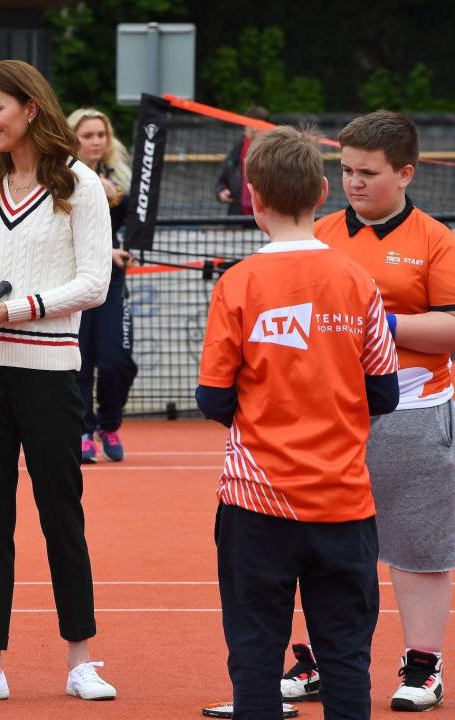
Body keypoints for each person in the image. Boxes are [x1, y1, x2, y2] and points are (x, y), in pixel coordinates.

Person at [196, 125, 400, 720]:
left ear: (253, 195)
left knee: (256, 654)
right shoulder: (357, 280)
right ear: (322, 191)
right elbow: (383, 391)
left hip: (257, 503)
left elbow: (212, 398)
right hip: (343, 501)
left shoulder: (238, 283)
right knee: (344, 656)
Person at [0, 59, 115, 704]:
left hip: (50, 375)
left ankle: (81, 660)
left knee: (60, 516)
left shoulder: (81, 185)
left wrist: (17, 307)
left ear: (30, 109)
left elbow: (93, 284)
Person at [280, 110, 455, 713]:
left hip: (412, 407)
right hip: (328, 412)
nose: (354, 183)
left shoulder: (436, 240)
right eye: (346, 170)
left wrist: (379, 320)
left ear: (405, 173)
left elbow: (451, 328)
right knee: (320, 544)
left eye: (369, 173)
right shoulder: (319, 233)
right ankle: (322, 659)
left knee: (416, 545)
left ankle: (423, 667)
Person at [66, 107, 138, 463]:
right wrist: (104, 250)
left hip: (112, 284)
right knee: (79, 360)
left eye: (101, 135)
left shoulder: (121, 177)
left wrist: (127, 247)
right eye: (87, 135)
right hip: (75, 281)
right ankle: (82, 430)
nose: (95, 141)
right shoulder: (61, 177)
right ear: (73, 139)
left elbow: (135, 227)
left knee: (115, 362)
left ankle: (109, 423)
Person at [215, 106, 270, 216]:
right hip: (237, 216)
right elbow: (222, 181)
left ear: (266, 127)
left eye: (258, 124)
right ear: (244, 127)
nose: (254, 129)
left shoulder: (276, 152)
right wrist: (221, 191)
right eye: (250, 124)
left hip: (267, 218)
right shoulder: (236, 152)